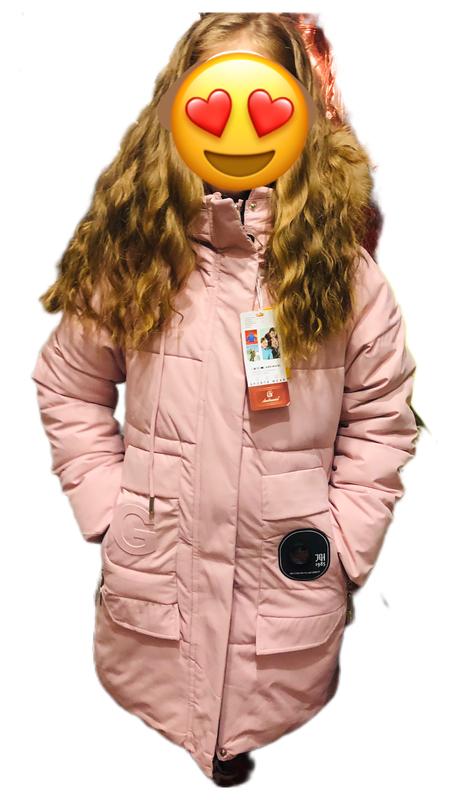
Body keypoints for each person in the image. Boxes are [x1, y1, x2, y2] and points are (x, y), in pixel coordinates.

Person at [30, 11, 421, 789]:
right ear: (177, 109)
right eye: (214, 107)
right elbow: (69, 382)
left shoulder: (344, 278)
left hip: (285, 631)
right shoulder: (137, 258)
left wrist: (345, 543)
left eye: (265, 110)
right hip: (152, 621)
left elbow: (381, 417)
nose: (239, 135)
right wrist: (108, 504)